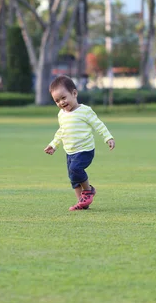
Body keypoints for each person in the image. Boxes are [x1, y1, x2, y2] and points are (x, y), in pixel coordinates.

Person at [44, 75, 115, 211]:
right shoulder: (61, 114)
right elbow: (61, 131)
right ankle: (82, 202)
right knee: (73, 178)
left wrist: (108, 138)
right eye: (57, 101)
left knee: (75, 169)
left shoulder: (85, 111)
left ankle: (88, 191)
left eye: (63, 98)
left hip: (85, 150)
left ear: (74, 93)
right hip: (70, 151)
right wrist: (53, 145)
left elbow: (98, 125)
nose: (61, 103)